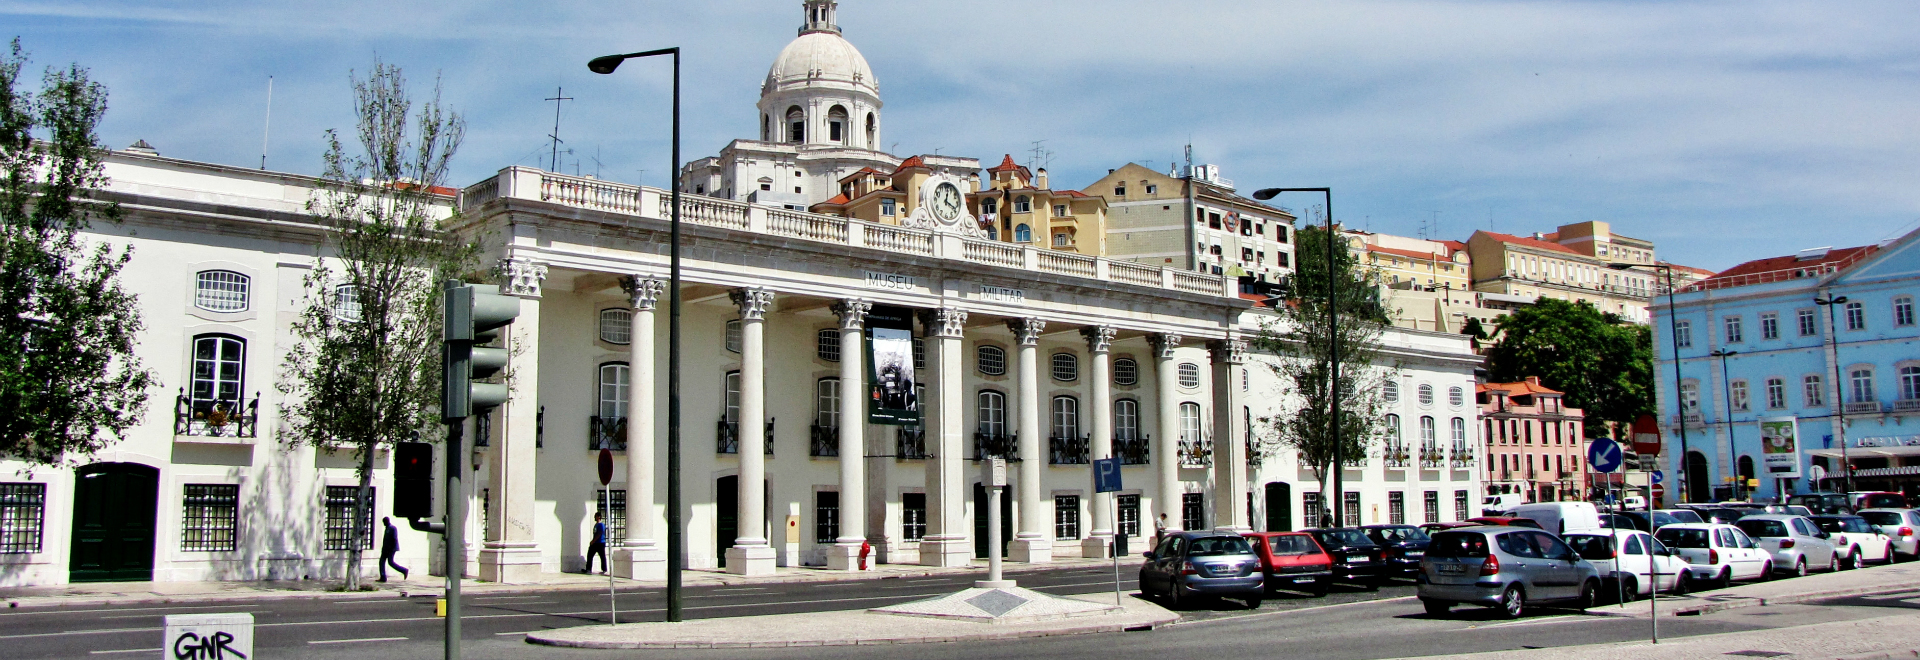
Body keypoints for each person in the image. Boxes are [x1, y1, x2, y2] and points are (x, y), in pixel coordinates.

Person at [378, 517, 408, 583]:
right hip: (386, 548)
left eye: (384, 522)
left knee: (390, 562)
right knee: (381, 561)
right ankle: (383, 577)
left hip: (391, 549)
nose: (384, 524)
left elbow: (394, 539)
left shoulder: (392, 528)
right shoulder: (387, 528)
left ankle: (404, 570)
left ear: (387, 521)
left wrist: (391, 549)